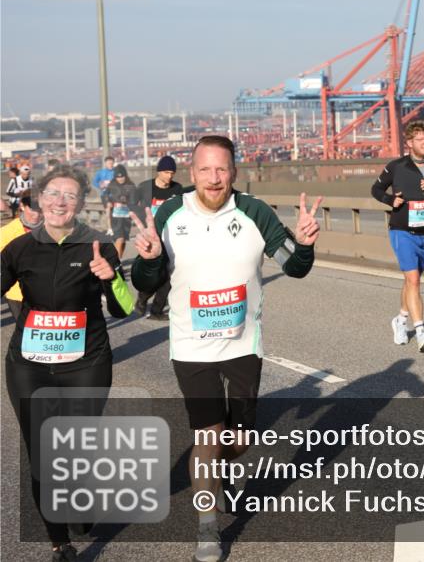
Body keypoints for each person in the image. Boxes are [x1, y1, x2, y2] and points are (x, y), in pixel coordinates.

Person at [130, 135, 321, 562]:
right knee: (208, 435)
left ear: (234, 172)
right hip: (190, 346)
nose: (213, 178)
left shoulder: (255, 211)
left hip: (242, 345)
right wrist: (148, 259)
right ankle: (207, 527)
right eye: (205, 169)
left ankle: (220, 470)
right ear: (192, 172)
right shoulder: (170, 213)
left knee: (239, 441)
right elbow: (145, 280)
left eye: (222, 169)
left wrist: (306, 246)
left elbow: (293, 266)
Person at [2, 165, 133, 561]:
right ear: (40, 199)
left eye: (70, 195)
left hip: (86, 363)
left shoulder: (99, 245)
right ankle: (59, 543)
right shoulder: (19, 249)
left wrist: (111, 277)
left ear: (80, 203)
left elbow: (123, 308)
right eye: (53, 194)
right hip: (29, 365)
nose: (61, 201)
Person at [371, 122, 424, 352]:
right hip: (402, 231)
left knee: (410, 282)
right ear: (409, 143)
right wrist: (390, 200)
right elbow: (376, 190)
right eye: (421, 139)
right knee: (414, 280)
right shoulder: (396, 167)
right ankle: (421, 334)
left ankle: (400, 320)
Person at [134, 156, 184, 320]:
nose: (170, 176)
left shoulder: (177, 189)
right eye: (166, 172)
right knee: (155, 275)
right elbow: (133, 203)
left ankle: (156, 310)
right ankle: (142, 298)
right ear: (159, 171)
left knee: (169, 276)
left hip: (171, 237)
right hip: (151, 237)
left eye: (172, 173)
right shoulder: (145, 187)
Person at [0, 189, 44, 321]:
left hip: (46, 293)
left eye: (40, 209)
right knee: (25, 329)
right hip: (17, 295)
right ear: (22, 206)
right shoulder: (6, 232)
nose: (36, 214)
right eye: (32, 208)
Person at [104, 165, 140, 259]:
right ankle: (115, 262)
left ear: (125, 175)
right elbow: (105, 195)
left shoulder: (131, 185)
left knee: (123, 241)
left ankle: (117, 260)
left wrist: (127, 202)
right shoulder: (112, 185)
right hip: (115, 217)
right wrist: (107, 202)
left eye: (122, 176)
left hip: (126, 217)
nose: (120, 179)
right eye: (118, 177)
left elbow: (135, 201)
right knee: (119, 239)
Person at [92, 156, 115, 234]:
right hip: (105, 194)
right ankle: (110, 228)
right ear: (105, 164)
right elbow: (94, 182)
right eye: (109, 163)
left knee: (115, 211)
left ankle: (114, 227)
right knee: (108, 210)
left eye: (112, 163)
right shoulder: (100, 172)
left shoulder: (116, 172)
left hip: (115, 195)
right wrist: (100, 185)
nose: (110, 165)